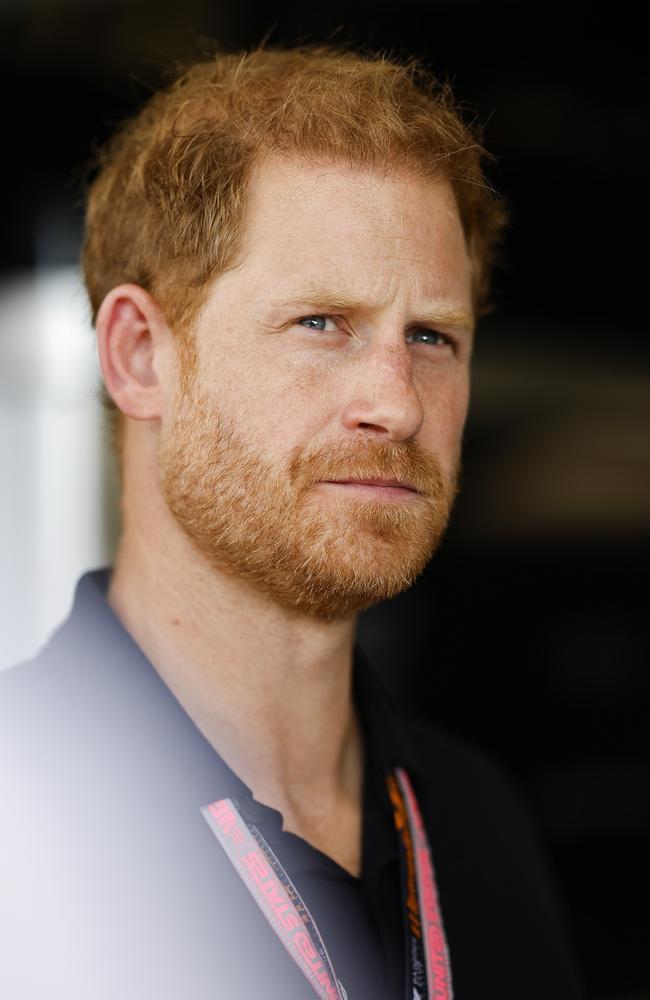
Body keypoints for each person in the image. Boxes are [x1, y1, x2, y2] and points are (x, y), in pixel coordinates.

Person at [0, 44, 584, 999]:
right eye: (322, 323)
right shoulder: (14, 820)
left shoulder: (483, 823)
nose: (397, 404)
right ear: (141, 357)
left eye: (433, 337)